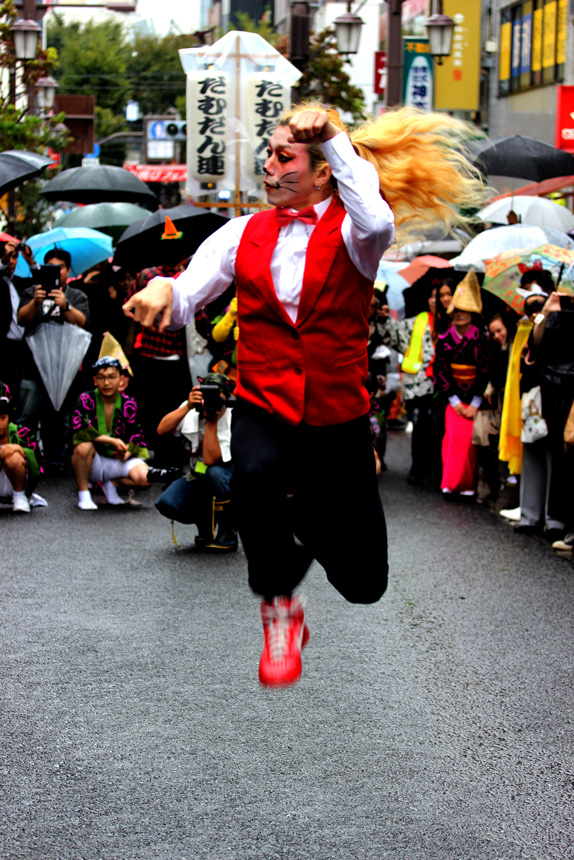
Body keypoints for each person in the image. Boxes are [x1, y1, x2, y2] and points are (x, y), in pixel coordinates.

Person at [124, 105, 486, 687]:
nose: (268, 166)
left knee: (366, 584)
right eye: (267, 155)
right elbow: (191, 289)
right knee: (252, 472)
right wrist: (165, 292)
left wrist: (336, 139)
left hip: (337, 414)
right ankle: (280, 610)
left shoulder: (355, 233)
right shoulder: (242, 232)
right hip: (264, 400)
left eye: (283, 156)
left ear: (323, 172)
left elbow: (377, 220)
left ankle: (307, 518)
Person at [17, 248, 90, 472]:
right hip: (33, 367)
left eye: (61, 268)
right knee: (28, 415)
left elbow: (82, 321)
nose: (57, 272)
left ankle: (56, 460)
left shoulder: (76, 295)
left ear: (68, 270)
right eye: (51, 267)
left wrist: (66, 305)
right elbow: (21, 319)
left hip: (64, 368)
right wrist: (35, 302)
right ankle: (23, 459)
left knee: (60, 416)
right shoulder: (32, 291)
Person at [71, 356, 176, 510]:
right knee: (83, 447)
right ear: (94, 380)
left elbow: (137, 436)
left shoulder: (129, 403)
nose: (106, 383)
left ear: (121, 380)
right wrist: (111, 441)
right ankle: (84, 495)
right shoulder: (86, 399)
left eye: (112, 377)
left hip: (117, 460)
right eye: (101, 378)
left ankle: (112, 483)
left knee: (146, 478)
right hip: (94, 461)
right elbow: (80, 431)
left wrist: (128, 451)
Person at [155, 372, 236, 552]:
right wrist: (188, 406)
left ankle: (228, 532)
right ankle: (204, 523)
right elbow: (161, 430)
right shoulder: (192, 409)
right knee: (166, 503)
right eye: (207, 396)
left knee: (214, 473)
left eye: (217, 397)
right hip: (198, 474)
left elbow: (210, 459)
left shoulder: (232, 416)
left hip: (228, 477)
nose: (211, 401)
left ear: (227, 399)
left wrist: (211, 421)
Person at [433, 270, 490, 499]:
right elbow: (440, 370)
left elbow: (485, 370)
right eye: (456, 310)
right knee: (451, 441)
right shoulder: (445, 339)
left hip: (474, 398)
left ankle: (467, 485)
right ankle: (449, 484)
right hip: (453, 397)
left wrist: (475, 402)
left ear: (472, 313)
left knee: (469, 444)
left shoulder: (482, 338)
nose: (459, 314)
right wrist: (454, 400)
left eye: (464, 310)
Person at [377, 284, 437, 485]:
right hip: (421, 385)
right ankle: (418, 468)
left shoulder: (452, 323)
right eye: (433, 296)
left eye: (440, 296)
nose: (436, 300)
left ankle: (436, 469)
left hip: (445, 386)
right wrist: (384, 319)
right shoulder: (418, 321)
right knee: (420, 427)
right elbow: (394, 336)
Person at [0, 381, 41, 513]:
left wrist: (20, 449)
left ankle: (19, 496)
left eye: (3, 418)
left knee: (14, 457)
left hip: (16, 481)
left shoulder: (22, 432)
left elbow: (39, 463)